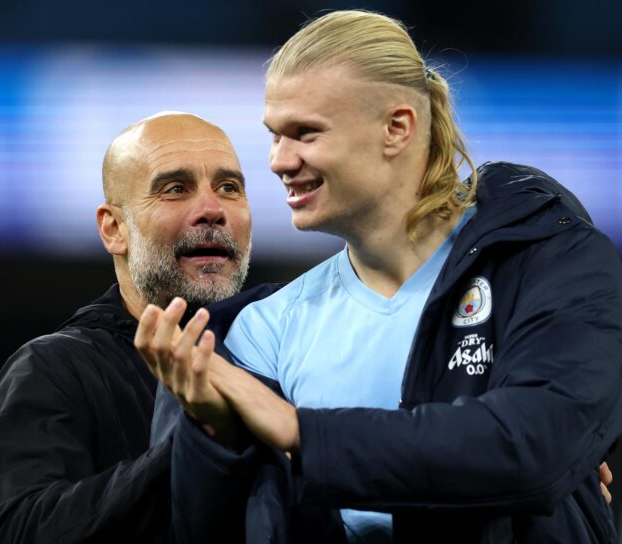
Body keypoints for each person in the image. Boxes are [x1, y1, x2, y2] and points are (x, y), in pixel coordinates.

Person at [136, 10, 622, 543]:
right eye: (275, 135)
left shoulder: (543, 257)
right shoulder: (259, 333)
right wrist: (214, 436)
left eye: (306, 133)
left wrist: (302, 432)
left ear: (397, 128)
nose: (278, 160)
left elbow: (533, 445)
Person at [0, 112, 255, 542]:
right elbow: (17, 531)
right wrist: (204, 442)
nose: (211, 210)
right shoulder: (55, 370)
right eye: (175, 189)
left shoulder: (286, 352)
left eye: (229, 188)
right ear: (114, 229)